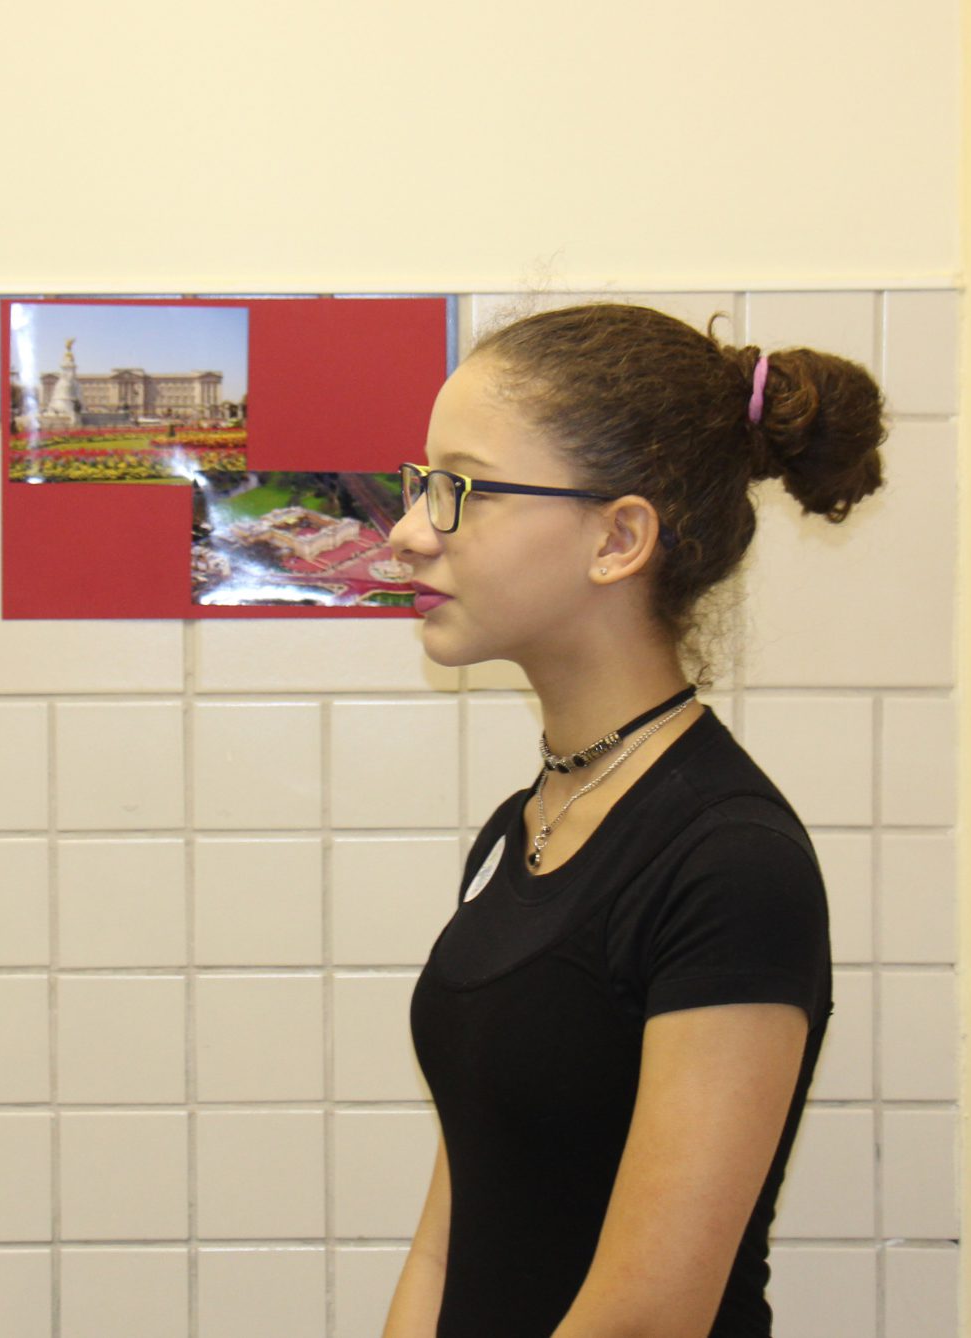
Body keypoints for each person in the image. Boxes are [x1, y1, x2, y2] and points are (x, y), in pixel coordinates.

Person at [380, 302, 887, 1338]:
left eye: (462, 490)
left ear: (617, 538)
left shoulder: (730, 864)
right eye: (422, 483)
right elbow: (450, 1235)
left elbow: (645, 1318)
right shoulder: (520, 828)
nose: (409, 532)